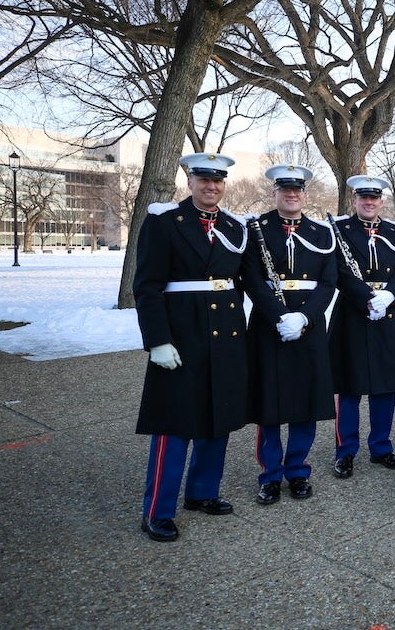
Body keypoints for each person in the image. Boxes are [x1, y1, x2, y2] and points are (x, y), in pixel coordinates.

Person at [133, 152, 249, 542]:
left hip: (227, 336)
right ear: (191, 181)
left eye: (217, 181)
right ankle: (158, 511)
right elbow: (147, 288)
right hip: (182, 336)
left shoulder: (236, 227)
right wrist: (158, 341)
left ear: (224, 184)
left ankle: (202, 493)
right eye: (203, 180)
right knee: (174, 423)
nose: (211, 186)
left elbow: (247, 281)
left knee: (218, 418)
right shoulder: (165, 221)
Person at [240, 164, 337, 505]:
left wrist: (305, 318)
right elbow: (250, 279)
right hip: (269, 326)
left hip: (308, 327)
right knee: (269, 404)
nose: (291, 195)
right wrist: (281, 316)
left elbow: (329, 282)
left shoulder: (322, 232)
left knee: (304, 403)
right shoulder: (255, 229)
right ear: (275, 193)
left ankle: (297, 470)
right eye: (285, 190)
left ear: (305, 195)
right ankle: (269, 475)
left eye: (297, 190)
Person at [329, 174, 395, 477]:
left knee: (385, 385)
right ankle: (346, 451)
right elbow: (338, 270)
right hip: (354, 312)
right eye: (363, 198)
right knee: (350, 386)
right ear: (355, 200)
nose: (369, 202)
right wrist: (367, 297)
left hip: (388, 312)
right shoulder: (339, 230)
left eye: (374, 198)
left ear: (381, 201)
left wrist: (389, 296)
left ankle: (381, 447)